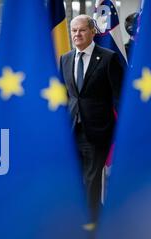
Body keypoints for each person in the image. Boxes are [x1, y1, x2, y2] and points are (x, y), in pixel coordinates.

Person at [60, 15, 124, 220]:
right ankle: (89, 217)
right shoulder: (65, 58)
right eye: (74, 31)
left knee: (92, 178)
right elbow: (64, 96)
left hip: (98, 131)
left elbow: (120, 97)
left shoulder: (108, 58)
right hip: (71, 130)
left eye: (82, 30)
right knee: (75, 179)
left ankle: (89, 224)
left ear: (93, 32)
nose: (77, 34)